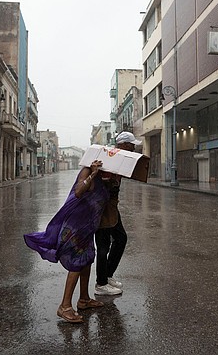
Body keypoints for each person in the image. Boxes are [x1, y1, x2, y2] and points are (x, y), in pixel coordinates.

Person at [24, 160, 110, 323]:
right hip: (75, 225)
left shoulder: (107, 179)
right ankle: (64, 307)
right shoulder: (87, 172)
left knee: (87, 259)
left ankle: (84, 299)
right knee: (77, 261)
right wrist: (93, 174)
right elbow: (78, 191)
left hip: (87, 227)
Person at [94, 131, 141, 296]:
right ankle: (101, 284)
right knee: (103, 244)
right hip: (102, 207)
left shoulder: (119, 159)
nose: (134, 147)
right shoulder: (110, 159)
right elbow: (103, 182)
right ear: (124, 145)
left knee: (120, 238)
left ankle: (107, 275)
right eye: (131, 144)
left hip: (110, 207)